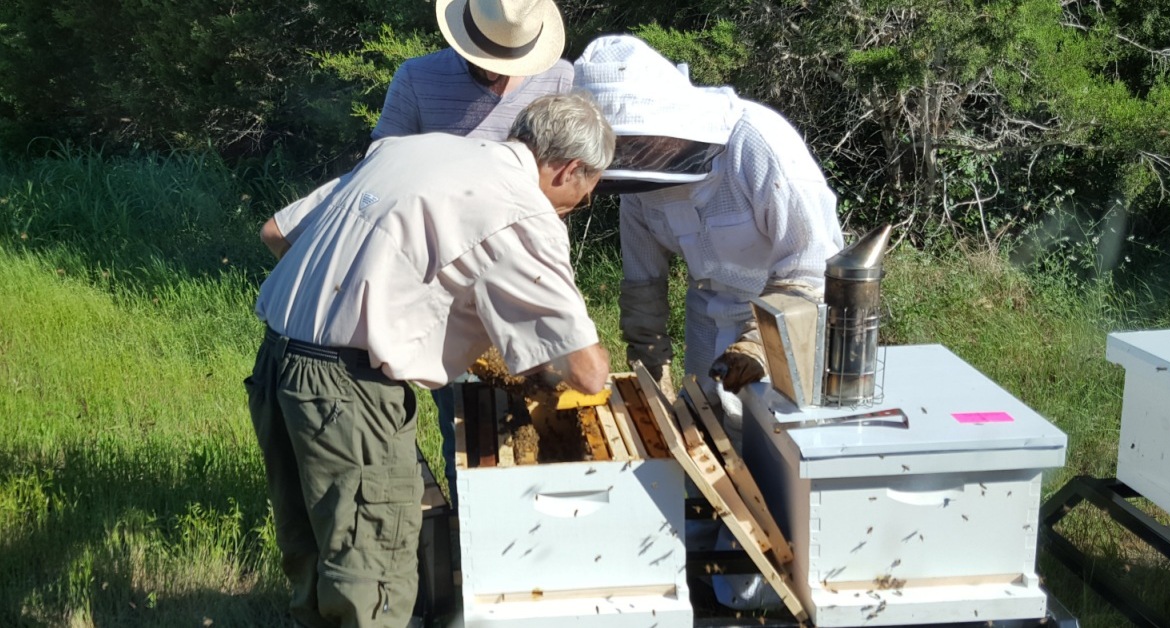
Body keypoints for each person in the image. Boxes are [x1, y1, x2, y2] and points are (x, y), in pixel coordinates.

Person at [245, 92, 614, 628]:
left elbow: (277, 233)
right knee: (371, 579)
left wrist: (388, 304)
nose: (572, 209)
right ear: (569, 170)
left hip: (278, 362)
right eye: (579, 198)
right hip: (348, 391)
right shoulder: (522, 208)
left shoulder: (411, 150)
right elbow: (587, 371)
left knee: (314, 558)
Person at [573, 35, 844, 610]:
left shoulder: (757, 145)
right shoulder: (638, 182)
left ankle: (759, 587)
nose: (630, 164)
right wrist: (648, 363)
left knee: (771, 459)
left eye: (635, 146)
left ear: (665, 122)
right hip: (708, 312)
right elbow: (643, 280)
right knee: (703, 442)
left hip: (788, 320)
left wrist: (756, 344)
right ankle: (695, 563)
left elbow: (811, 262)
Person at [372, 0, 575, 505]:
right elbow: (381, 172)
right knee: (467, 421)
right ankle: (472, 530)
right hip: (447, 280)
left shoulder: (560, 80)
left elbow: (569, 179)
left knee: (547, 410)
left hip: (529, 275)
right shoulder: (418, 79)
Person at [372, 0, 574, 142]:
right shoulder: (415, 78)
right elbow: (383, 163)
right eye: (483, 60)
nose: (493, 74)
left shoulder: (561, 81)